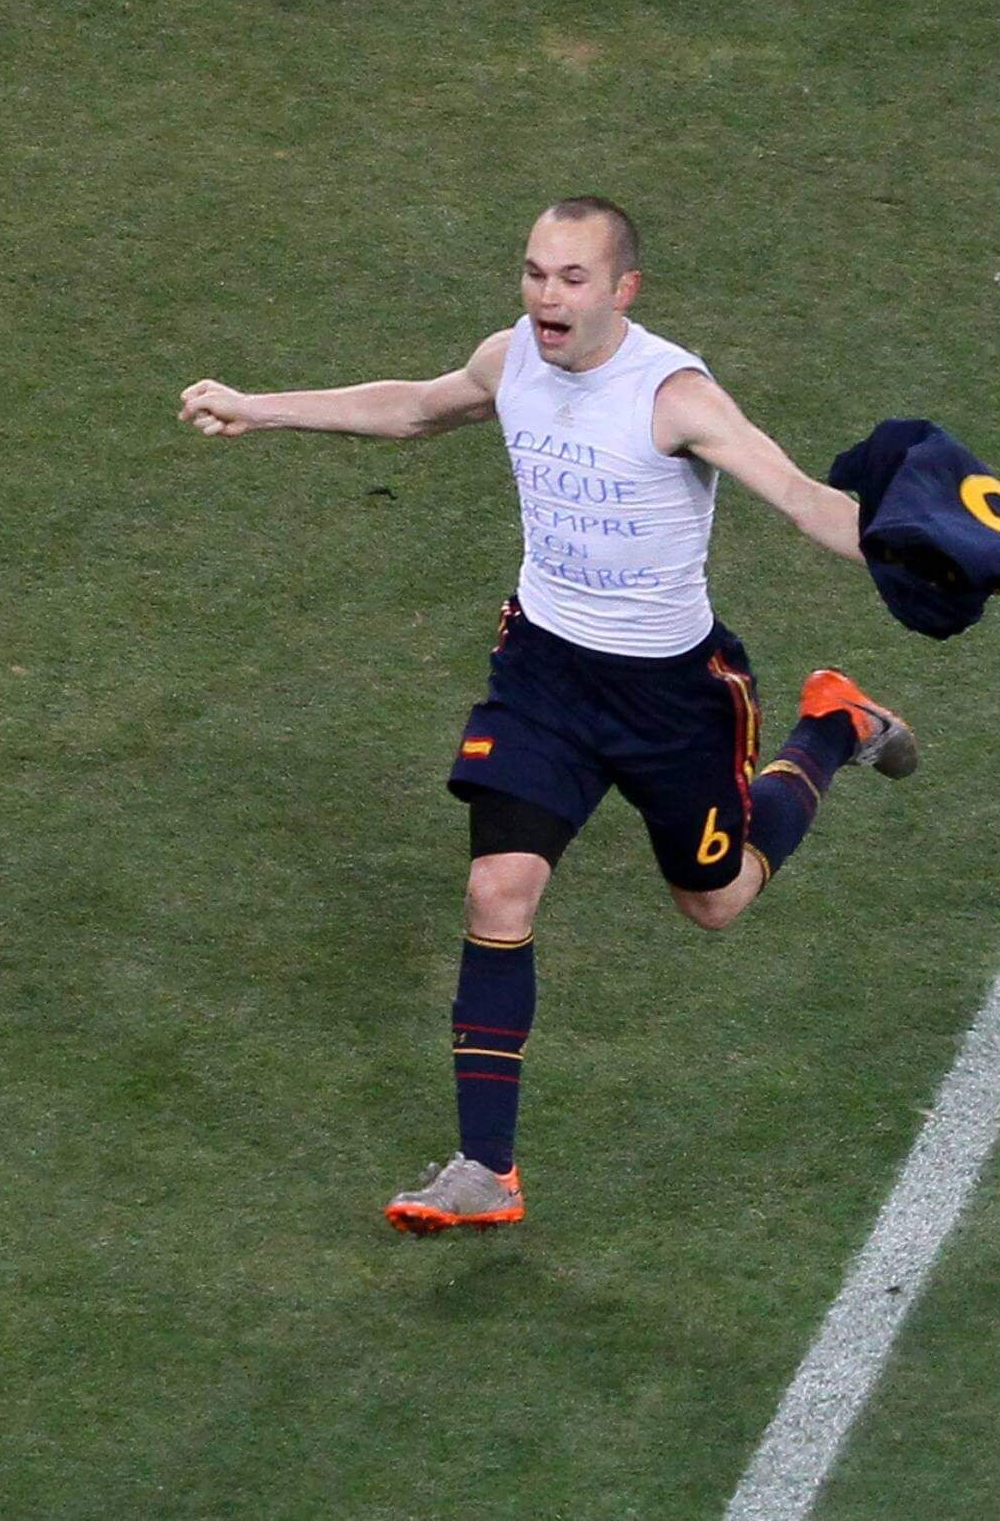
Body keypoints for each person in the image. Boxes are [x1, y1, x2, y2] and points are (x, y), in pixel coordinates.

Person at [179, 197, 918, 1236]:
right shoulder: (512, 358)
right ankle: (487, 1169)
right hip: (544, 674)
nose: (545, 296)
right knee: (499, 888)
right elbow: (415, 408)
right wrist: (261, 407)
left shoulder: (676, 395)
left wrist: (898, 544)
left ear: (625, 290)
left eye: (571, 278)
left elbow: (800, 496)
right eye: (533, 272)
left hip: (673, 696)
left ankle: (834, 725)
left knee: (716, 901)